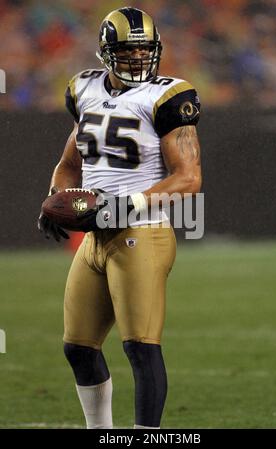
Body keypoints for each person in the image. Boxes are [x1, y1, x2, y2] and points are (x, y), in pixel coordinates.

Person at [38, 6, 202, 429]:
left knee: (141, 348)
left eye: (145, 49)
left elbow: (188, 179)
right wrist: (56, 198)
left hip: (141, 233)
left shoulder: (168, 96)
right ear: (106, 52)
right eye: (129, 50)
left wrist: (125, 204)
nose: (138, 58)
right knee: (78, 349)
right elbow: (68, 163)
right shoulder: (84, 88)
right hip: (95, 237)